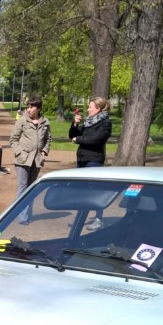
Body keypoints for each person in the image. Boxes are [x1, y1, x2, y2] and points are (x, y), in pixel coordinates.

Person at [69, 96, 113, 228]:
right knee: (81, 191)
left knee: (94, 191)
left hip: (94, 160)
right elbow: (72, 135)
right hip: (82, 159)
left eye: (90, 107)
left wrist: (79, 140)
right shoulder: (88, 121)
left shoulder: (105, 123)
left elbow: (96, 139)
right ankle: (79, 218)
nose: (88, 109)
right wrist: (75, 124)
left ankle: (98, 219)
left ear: (98, 109)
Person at [8, 97, 51, 222]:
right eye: (28, 107)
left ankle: (27, 214)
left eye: (31, 107)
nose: (29, 109)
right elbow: (13, 139)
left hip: (37, 160)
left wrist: (44, 152)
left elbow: (48, 139)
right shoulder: (22, 121)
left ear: (39, 108)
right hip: (23, 160)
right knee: (23, 187)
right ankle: (23, 217)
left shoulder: (45, 122)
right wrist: (20, 153)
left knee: (32, 188)